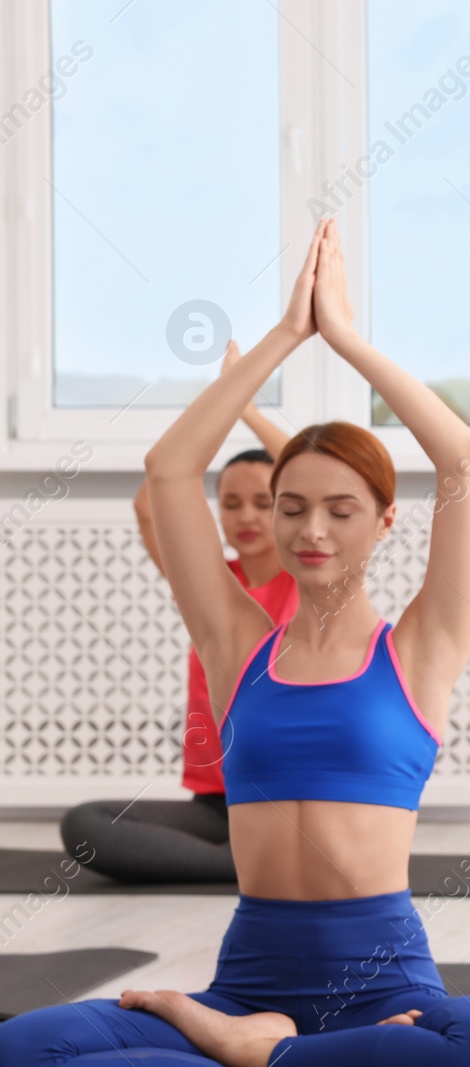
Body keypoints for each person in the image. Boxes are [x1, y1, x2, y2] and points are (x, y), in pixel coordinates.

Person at [0, 217, 470, 1066]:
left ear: (385, 521)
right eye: (290, 508)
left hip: (385, 986)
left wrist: (350, 342)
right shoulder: (237, 643)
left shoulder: (422, 647)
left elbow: (463, 461)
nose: (310, 530)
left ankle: (254, 1055)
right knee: (30, 1043)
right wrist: (287, 336)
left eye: (339, 510)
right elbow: (171, 469)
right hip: (249, 978)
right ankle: (268, 1045)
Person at [58, 342, 297, 883]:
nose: (246, 516)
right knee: (87, 825)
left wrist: (248, 411)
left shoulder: (305, 580)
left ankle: (272, 856)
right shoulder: (209, 585)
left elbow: (312, 473)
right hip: (216, 803)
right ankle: (249, 866)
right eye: (231, 503)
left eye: (263, 501)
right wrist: (214, 410)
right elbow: (151, 502)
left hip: (288, 797)